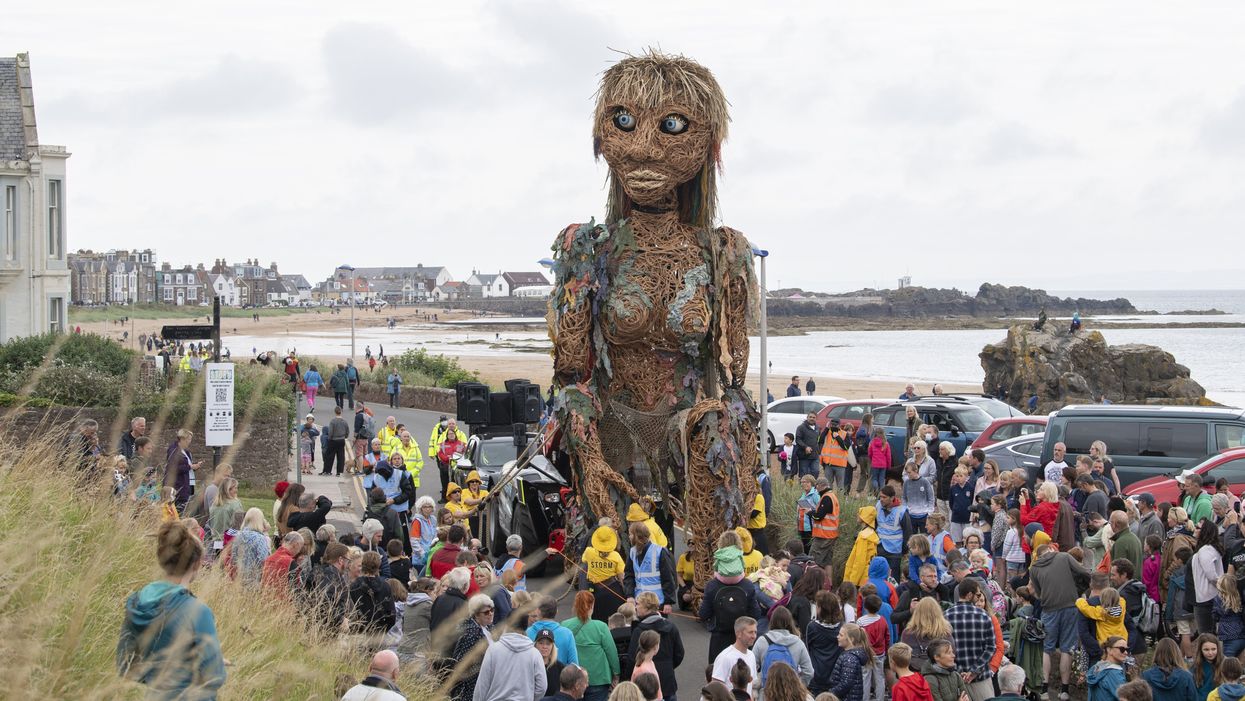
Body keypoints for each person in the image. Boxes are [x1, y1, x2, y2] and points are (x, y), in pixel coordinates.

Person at [116, 520, 225, 698]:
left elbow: (125, 667)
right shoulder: (197, 611)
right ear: (197, 564)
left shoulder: (136, 602)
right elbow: (214, 677)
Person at [1027, 542, 1090, 701]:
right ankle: (1064, 690)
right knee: (1067, 648)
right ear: (1050, 549)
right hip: (1070, 606)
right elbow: (1085, 572)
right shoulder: (1064, 556)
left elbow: (1039, 593)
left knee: (1046, 648)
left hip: (1049, 609)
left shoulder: (1034, 569)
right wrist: (1078, 589)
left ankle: (1044, 688)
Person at [560, 591, 620, 701]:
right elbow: (612, 652)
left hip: (573, 680)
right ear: (592, 605)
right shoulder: (601, 627)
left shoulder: (565, 625)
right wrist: (616, 674)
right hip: (598, 679)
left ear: (575, 606)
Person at [473, 615, 548, 701]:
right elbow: (542, 687)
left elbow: (483, 684)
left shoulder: (493, 650)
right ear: (526, 626)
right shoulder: (534, 653)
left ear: (507, 624)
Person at [945, 577, 994, 700]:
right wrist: (974, 671)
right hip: (981, 678)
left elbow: (942, 649)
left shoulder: (945, 616)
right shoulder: (984, 616)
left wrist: (959, 671)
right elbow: (991, 647)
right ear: (969, 595)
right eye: (977, 595)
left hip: (954, 678)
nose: (979, 598)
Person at [630, 591, 684, 699]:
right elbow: (679, 653)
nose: (635, 607)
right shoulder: (671, 627)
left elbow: (632, 657)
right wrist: (668, 665)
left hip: (646, 686)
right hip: (668, 681)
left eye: (638, 604)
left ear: (647, 607)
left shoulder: (639, 630)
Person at [448, 593, 496, 701]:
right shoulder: (470, 634)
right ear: (476, 615)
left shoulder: (489, 626)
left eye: (492, 610)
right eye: (486, 612)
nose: (491, 614)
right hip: (472, 686)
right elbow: (462, 664)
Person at [754, 606, 814, 688]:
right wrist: (798, 687)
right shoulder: (798, 642)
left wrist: (758, 684)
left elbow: (751, 667)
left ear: (772, 621)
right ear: (790, 622)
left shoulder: (762, 641)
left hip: (766, 693)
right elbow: (809, 672)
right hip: (790, 693)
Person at [624, 522, 676, 613]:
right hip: (639, 602)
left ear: (637, 536)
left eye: (631, 534)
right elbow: (629, 575)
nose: (629, 536)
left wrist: (668, 602)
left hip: (657, 602)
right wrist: (630, 595)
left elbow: (668, 578)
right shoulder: (632, 552)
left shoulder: (660, 551)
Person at [582, 526, 627, 623]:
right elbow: (622, 577)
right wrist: (627, 594)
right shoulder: (616, 556)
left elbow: (584, 560)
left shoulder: (589, 552)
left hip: (594, 592)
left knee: (597, 621)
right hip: (613, 591)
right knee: (616, 621)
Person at [1194, 518, 1226, 636]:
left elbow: (1212, 576)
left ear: (1205, 531)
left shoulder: (1206, 550)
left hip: (1206, 597)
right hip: (1208, 596)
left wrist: (1221, 587)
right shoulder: (1209, 549)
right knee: (1209, 634)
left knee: (1206, 636)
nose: (1195, 529)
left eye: (1198, 528)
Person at [162, 428, 203, 514]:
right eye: (189, 439)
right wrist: (190, 466)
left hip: (186, 485)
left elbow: (187, 467)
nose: (190, 441)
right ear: (182, 439)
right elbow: (173, 467)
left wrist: (194, 466)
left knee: (184, 510)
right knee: (178, 511)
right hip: (177, 486)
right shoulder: (174, 450)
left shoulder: (185, 451)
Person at [712, 616, 758, 686]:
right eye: (750, 632)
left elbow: (750, 685)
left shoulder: (751, 655)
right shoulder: (725, 657)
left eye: (755, 632)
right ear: (738, 634)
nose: (754, 636)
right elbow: (715, 688)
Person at [829, 624, 870, 701]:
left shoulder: (850, 658)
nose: (837, 637)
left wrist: (831, 693)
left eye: (841, 635)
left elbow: (846, 683)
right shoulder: (849, 655)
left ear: (851, 639)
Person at [809, 478, 841, 567]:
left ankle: (813, 580)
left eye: (816, 486)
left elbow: (818, 516)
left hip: (823, 536)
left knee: (813, 560)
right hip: (831, 535)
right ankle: (828, 581)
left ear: (820, 486)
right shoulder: (832, 496)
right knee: (827, 562)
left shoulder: (826, 497)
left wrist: (810, 513)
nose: (816, 489)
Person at [1087, 635, 1128, 701]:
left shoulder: (1096, 668)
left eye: (1127, 649)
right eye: (1122, 649)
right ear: (1109, 650)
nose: (1126, 652)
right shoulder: (1114, 674)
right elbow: (1124, 698)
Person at [1194, 634, 1226, 701]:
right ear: (1200, 650)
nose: (1210, 653)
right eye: (1206, 650)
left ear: (1218, 648)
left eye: (1213, 649)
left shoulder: (1225, 663)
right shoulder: (1196, 666)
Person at [795, 413, 821, 478]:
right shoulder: (801, 427)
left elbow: (819, 440)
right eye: (810, 417)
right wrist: (805, 447)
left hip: (815, 455)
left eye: (814, 417)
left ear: (816, 418)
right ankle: (802, 488)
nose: (812, 418)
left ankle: (813, 487)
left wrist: (819, 450)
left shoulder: (817, 428)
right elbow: (798, 439)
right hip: (804, 456)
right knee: (804, 475)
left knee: (816, 472)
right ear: (807, 417)